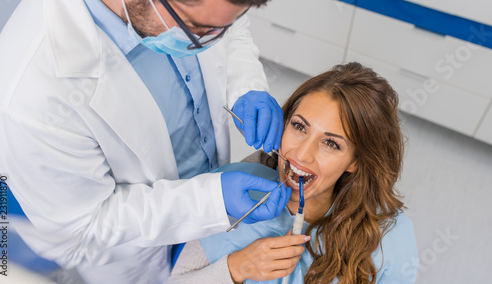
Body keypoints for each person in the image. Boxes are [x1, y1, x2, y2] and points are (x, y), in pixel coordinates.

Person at [0, 0, 291, 283]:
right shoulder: (28, 96)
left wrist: (245, 84)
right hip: (138, 259)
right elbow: (83, 233)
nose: (212, 39)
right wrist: (210, 201)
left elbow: (223, 21)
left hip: (212, 213)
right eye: (197, 31)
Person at [169, 62, 419, 284]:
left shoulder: (390, 239)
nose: (301, 155)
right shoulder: (231, 192)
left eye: (331, 143)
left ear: (356, 161)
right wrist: (238, 267)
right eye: (299, 126)